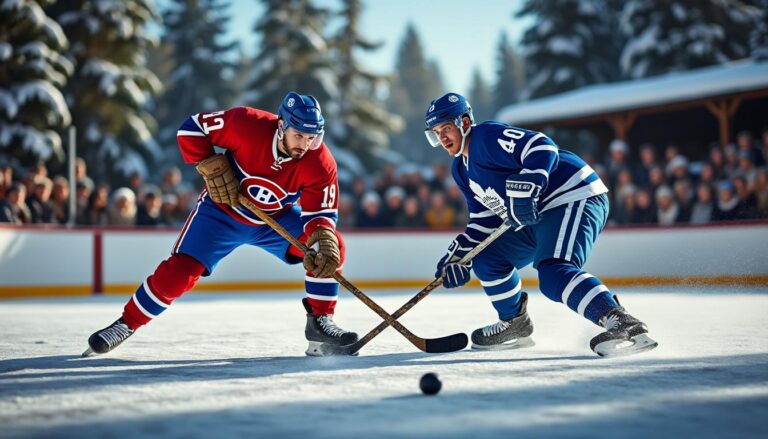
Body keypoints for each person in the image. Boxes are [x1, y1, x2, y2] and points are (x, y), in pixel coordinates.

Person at [84, 92, 358, 357]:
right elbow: (191, 129)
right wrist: (208, 162)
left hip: (274, 221)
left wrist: (322, 235)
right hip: (222, 212)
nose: (305, 145)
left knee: (329, 246)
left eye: (311, 138)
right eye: (298, 135)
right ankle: (126, 323)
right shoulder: (246, 124)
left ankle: (319, 324)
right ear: (281, 125)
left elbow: (319, 215)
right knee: (180, 272)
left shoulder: (320, 162)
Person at [423, 92, 657, 357]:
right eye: (435, 133)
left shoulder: (486, 137)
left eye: (446, 128)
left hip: (572, 195)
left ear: (464, 122)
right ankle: (515, 323)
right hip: (535, 216)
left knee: (553, 273)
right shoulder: (460, 169)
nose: (442, 138)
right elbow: (484, 219)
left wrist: (531, 181)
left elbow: (541, 146)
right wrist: (461, 255)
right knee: (486, 259)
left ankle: (621, 322)